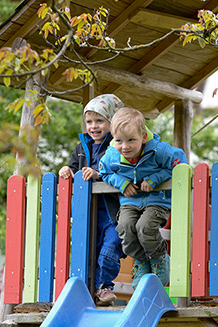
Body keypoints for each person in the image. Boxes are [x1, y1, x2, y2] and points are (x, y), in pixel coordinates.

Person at [99, 107, 187, 289]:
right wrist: (122, 183)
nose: (125, 146)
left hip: (156, 200)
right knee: (125, 228)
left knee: (145, 227)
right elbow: (104, 172)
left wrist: (155, 179)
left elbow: (181, 164)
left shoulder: (158, 151)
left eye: (131, 140)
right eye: (119, 141)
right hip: (130, 202)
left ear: (143, 137)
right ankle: (141, 262)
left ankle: (159, 258)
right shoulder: (112, 156)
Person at [59, 94, 125, 306]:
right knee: (89, 251)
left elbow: (120, 169)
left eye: (100, 121)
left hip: (113, 211)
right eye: (89, 121)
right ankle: (89, 290)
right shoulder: (81, 148)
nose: (93, 126)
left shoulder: (117, 146)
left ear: (112, 122)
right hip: (89, 213)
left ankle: (103, 286)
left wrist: (99, 173)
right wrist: (68, 170)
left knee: (111, 247)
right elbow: (75, 168)